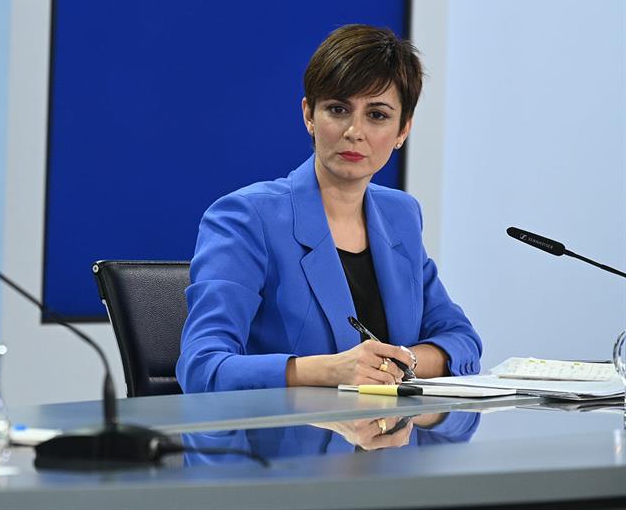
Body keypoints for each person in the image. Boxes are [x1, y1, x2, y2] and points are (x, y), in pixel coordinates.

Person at [177, 24, 481, 393]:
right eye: (338, 110)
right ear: (309, 115)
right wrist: (330, 370)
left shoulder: (400, 215)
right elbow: (202, 366)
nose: (355, 131)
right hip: (280, 444)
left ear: (404, 130)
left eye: (378, 115)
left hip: (391, 443)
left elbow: (461, 340)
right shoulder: (246, 218)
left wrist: (400, 361)